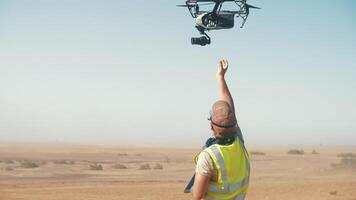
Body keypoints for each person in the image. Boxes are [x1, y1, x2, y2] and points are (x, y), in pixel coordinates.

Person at [192, 59, 250, 200]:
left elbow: (197, 196)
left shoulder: (208, 156)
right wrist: (221, 78)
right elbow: (230, 111)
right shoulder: (238, 142)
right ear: (234, 124)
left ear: (211, 126)